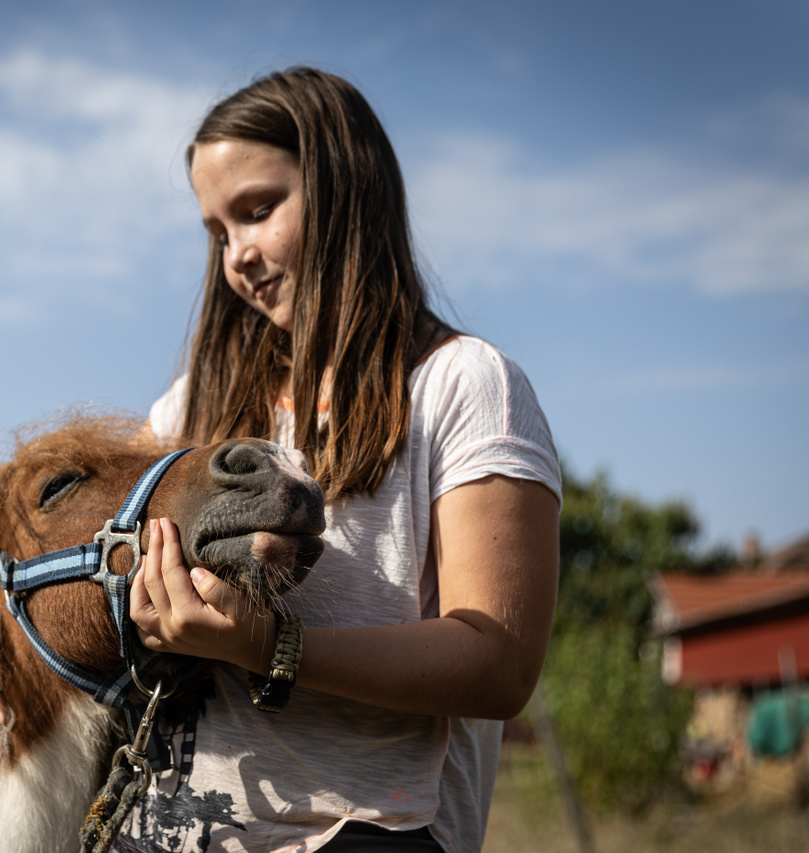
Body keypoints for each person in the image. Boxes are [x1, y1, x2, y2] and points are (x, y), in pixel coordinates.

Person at [120, 67, 561, 853]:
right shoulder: (188, 408)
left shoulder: (465, 386)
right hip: (174, 830)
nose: (237, 258)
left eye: (257, 211)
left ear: (346, 187)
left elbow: (498, 664)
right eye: (218, 232)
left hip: (364, 830)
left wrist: (268, 648)